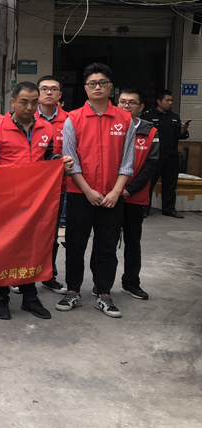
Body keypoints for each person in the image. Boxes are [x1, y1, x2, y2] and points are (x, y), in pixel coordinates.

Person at [0, 82, 74, 321]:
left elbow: (48, 157)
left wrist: (61, 161)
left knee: (33, 249)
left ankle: (30, 297)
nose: (30, 107)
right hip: (5, 202)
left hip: (36, 202)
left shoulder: (46, 128)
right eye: (24, 102)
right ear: (13, 102)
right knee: (3, 248)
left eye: (34, 102)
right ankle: (1, 296)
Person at [57, 63, 135, 319]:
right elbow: (70, 160)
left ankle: (104, 294)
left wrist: (116, 192)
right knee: (75, 245)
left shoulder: (125, 120)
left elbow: (127, 162)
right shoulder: (73, 119)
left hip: (112, 196)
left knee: (107, 247)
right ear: (86, 88)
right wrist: (88, 190)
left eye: (102, 83)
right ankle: (72, 291)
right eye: (93, 83)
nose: (98, 87)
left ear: (111, 87)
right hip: (80, 194)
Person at [117, 88, 159, 300]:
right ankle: (101, 285)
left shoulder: (150, 131)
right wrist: (114, 190)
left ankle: (131, 283)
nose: (126, 106)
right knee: (106, 242)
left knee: (133, 242)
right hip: (110, 196)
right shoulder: (110, 129)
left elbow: (150, 166)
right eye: (122, 102)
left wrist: (129, 189)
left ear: (141, 107)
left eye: (131, 102)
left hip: (135, 196)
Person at [36, 74, 69, 294]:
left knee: (52, 235)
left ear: (60, 94)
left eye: (53, 89)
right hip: (31, 188)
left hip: (61, 187)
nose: (49, 92)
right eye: (44, 88)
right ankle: (23, 275)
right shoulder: (25, 118)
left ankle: (49, 275)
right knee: (26, 233)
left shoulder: (71, 120)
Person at [141, 89, 190, 219]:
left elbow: (179, 135)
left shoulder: (174, 117)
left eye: (171, 100)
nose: (170, 103)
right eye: (167, 100)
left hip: (171, 156)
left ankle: (169, 209)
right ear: (159, 101)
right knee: (149, 184)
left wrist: (183, 131)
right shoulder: (148, 117)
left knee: (170, 184)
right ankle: (144, 209)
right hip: (154, 156)